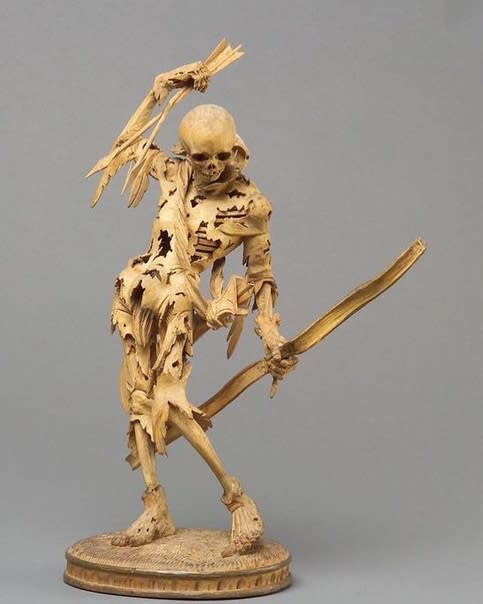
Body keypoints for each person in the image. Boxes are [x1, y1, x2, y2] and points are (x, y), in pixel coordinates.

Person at [90, 60, 297, 556]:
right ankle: (155, 509)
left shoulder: (252, 206)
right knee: (139, 401)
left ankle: (238, 499)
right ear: (186, 153)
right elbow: (126, 146)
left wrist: (270, 333)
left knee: (170, 399)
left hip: (182, 301)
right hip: (138, 292)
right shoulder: (173, 172)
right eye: (201, 157)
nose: (213, 167)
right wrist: (157, 89)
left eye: (223, 156)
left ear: (238, 149)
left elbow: (262, 275)